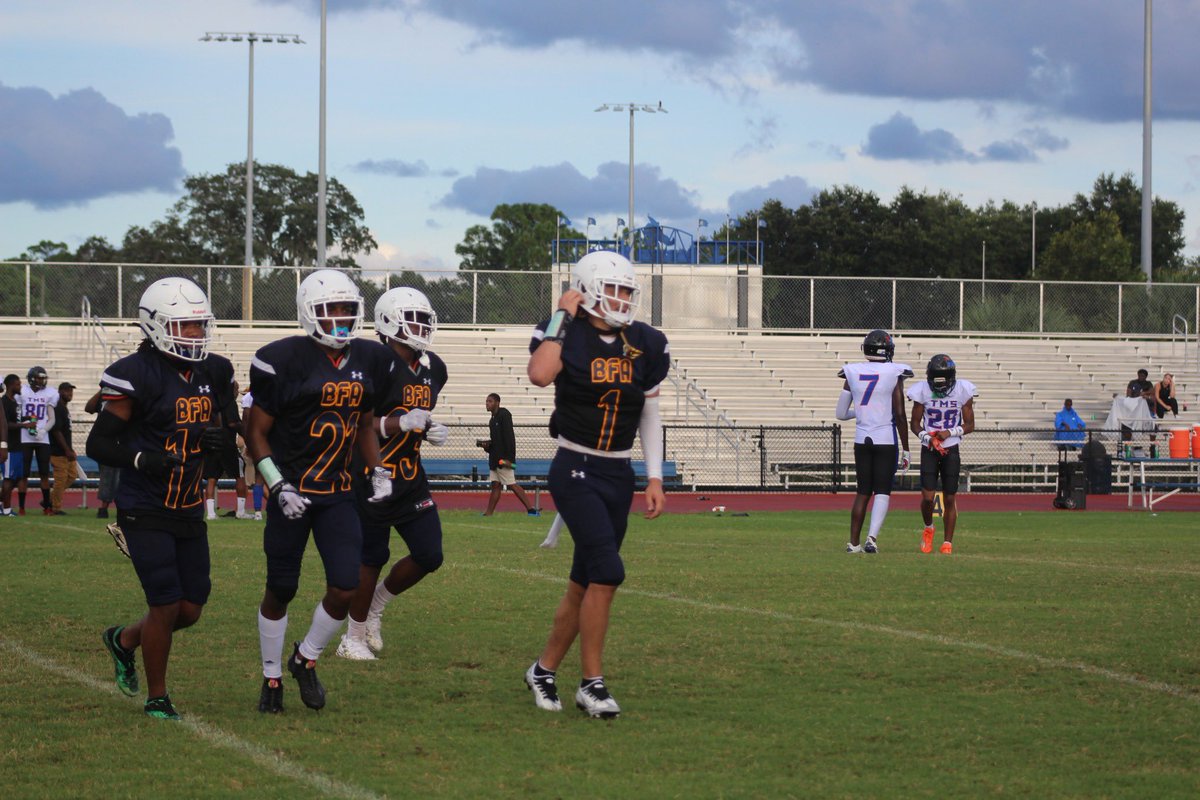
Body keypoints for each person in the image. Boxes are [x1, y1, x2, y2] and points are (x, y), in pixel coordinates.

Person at [524, 249, 670, 719]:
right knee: (608, 571)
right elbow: (540, 375)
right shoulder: (566, 332)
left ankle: (543, 670)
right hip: (575, 466)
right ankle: (592, 684)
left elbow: (649, 411)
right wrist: (561, 316)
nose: (623, 299)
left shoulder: (645, 342)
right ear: (586, 290)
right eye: (614, 290)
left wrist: (653, 476)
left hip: (617, 471)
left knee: (582, 582)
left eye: (628, 291)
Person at [245, 269, 394, 714]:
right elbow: (256, 434)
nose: (341, 319)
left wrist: (379, 469)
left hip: (337, 492)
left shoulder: (367, 357)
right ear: (310, 313)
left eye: (348, 309)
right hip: (292, 492)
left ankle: (304, 659)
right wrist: (277, 485)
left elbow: (365, 424)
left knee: (346, 585)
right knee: (281, 588)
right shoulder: (282, 359)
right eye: (331, 310)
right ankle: (271, 676)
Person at [88, 277, 236, 720]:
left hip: (188, 502)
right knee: (165, 604)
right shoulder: (134, 373)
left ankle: (124, 639)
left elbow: (230, 446)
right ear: (155, 325)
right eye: (184, 326)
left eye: (197, 325)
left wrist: (219, 445)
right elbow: (99, 444)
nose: (194, 334)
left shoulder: (216, 371)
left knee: (190, 609)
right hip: (145, 503)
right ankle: (158, 696)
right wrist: (141, 459)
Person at [337, 287, 450, 661]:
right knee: (371, 556)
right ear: (388, 322)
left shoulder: (434, 367)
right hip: (370, 474)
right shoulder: (369, 361)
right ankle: (351, 638)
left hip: (409, 474)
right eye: (412, 318)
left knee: (429, 553)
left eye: (423, 319)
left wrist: (429, 428)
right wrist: (401, 423)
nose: (420, 326)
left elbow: (415, 415)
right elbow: (355, 426)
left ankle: (375, 608)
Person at [834, 329, 912, 554]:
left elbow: (840, 413)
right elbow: (899, 414)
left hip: (862, 438)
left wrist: (860, 413)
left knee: (863, 491)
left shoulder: (852, 371)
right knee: (882, 491)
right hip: (885, 438)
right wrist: (906, 448)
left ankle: (853, 543)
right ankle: (871, 539)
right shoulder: (894, 372)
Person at [907, 354, 976, 555]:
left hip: (951, 447)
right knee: (928, 498)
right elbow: (915, 424)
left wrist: (949, 433)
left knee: (949, 498)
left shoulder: (963, 390)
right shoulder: (922, 390)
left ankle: (947, 542)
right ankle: (929, 528)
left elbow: (970, 425)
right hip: (929, 448)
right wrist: (930, 438)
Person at [478, 392, 539, 516]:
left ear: (497, 403)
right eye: (486, 401)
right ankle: (488, 513)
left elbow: (509, 438)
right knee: (495, 485)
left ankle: (531, 509)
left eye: (490, 401)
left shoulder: (504, 415)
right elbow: (496, 442)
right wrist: (487, 447)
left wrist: (509, 460)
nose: (487, 404)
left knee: (512, 484)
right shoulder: (492, 420)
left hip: (503, 460)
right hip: (495, 459)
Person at [203, 379, 252, 520]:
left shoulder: (211, 403)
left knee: (212, 478)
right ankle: (241, 511)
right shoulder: (229, 403)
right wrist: (245, 433)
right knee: (239, 475)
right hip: (227, 444)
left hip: (212, 443)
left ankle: (211, 513)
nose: (237, 393)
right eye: (236, 390)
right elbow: (233, 423)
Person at [16, 366, 58, 515]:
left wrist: (43, 430)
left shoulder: (50, 393)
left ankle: (47, 506)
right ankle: (21, 507)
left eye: (42, 378)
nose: (41, 380)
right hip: (25, 437)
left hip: (42, 438)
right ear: (32, 378)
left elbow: (52, 418)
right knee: (23, 474)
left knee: (44, 473)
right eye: (39, 378)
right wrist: (27, 426)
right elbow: (18, 415)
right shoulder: (22, 392)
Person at [85, 390, 121, 518]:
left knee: (119, 477)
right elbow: (88, 408)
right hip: (105, 441)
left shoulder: (124, 396)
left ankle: (113, 508)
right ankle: (104, 508)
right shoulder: (104, 396)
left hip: (121, 440)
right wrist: (102, 390)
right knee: (107, 476)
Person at [49, 382, 79, 515]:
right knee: (60, 480)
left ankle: (49, 499)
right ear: (60, 391)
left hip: (67, 451)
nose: (70, 393)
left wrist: (70, 450)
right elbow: (56, 431)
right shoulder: (58, 408)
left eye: (71, 391)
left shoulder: (64, 408)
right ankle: (55, 507)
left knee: (72, 476)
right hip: (58, 452)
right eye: (67, 391)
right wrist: (67, 449)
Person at [1, 374, 23, 517]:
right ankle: (6, 509)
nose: (20, 386)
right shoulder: (4, 402)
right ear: (10, 385)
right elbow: (5, 425)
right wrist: (24, 425)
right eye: (17, 384)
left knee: (15, 478)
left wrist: (26, 421)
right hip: (9, 446)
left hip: (16, 445)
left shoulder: (13, 401)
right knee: (8, 479)